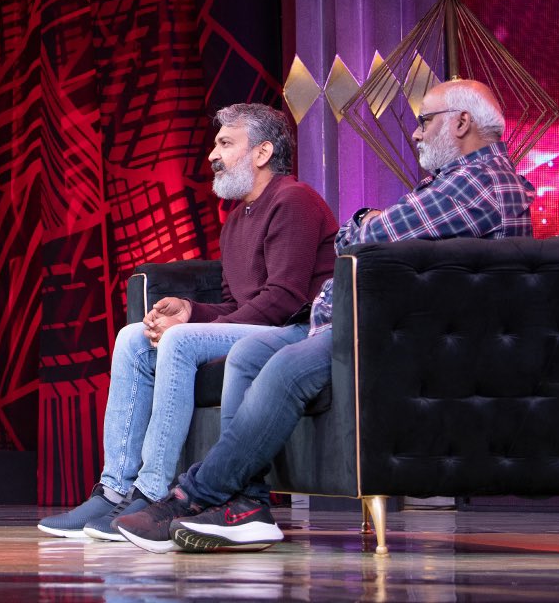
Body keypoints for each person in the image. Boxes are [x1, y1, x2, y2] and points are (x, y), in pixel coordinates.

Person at [114, 79, 532, 553]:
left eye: (424, 121)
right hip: (361, 325)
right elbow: (362, 235)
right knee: (248, 353)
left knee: (280, 366)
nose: (415, 133)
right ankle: (245, 507)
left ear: (461, 122)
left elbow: (359, 238)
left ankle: (190, 494)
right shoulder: (454, 183)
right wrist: (195, 310)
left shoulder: (477, 182)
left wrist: (366, 222)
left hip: (392, 335)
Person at [39, 104, 337, 541]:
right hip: (263, 324)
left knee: (178, 342)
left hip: (297, 331)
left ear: (262, 152)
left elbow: (283, 300)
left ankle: (152, 492)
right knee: (133, 338)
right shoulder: (235, 220)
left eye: (225, 144)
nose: (213, 155)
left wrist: (191, 330)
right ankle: (114, 488)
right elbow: (237, 303)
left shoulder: (294, 200)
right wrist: (190, 311)